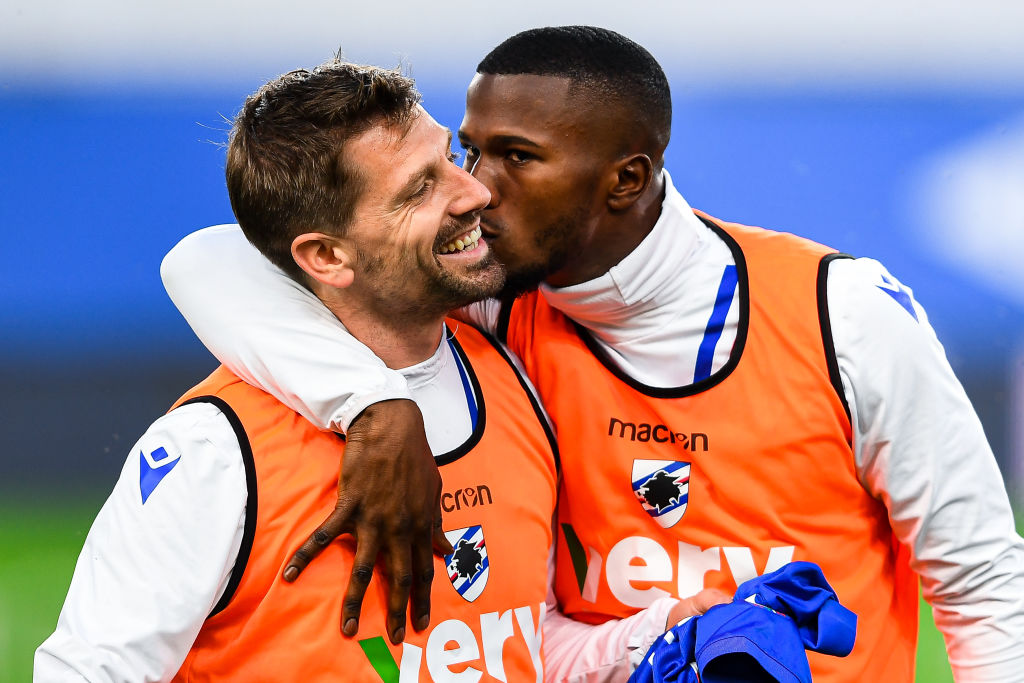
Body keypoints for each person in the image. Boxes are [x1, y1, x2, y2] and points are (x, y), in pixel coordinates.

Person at [160, 27, 1024, 682]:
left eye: (517, 159)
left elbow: (985, 581)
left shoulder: (842, 316)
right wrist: (372, 403)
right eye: (469, 150)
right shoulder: (490, 307)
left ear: (626, 178)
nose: (472, 188)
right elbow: (204, 259)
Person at [35, 57, 718, 683]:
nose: (474, 193)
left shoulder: (510, 380)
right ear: (327, 257)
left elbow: (514, 642)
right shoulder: (215, 450)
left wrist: (661, 637)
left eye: (451, 157)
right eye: (420, 189)